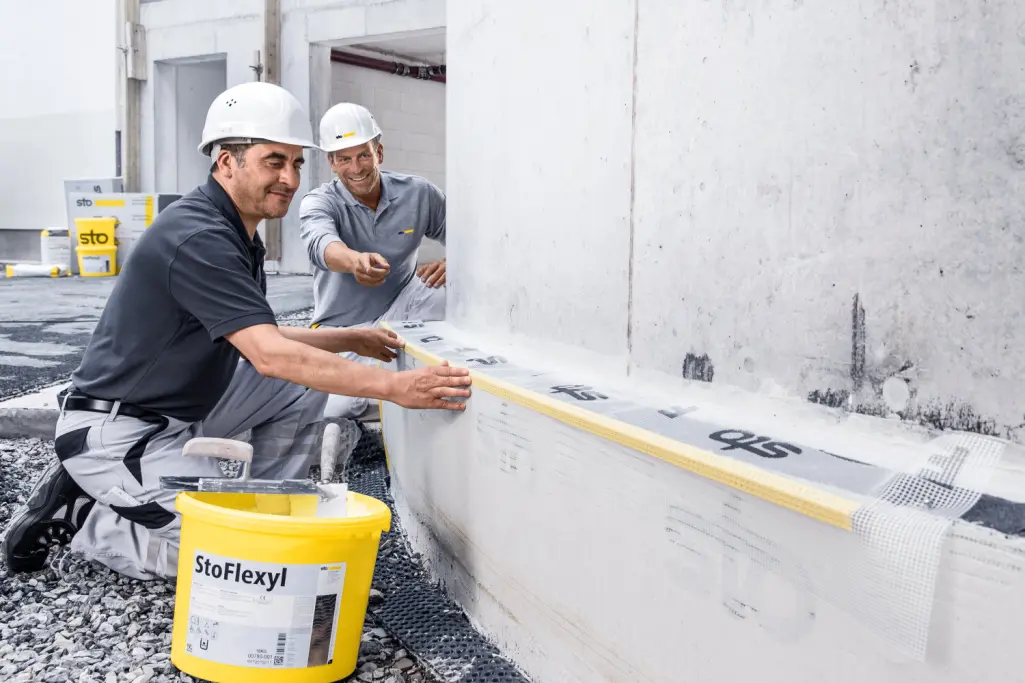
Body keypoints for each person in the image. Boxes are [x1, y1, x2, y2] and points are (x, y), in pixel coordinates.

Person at [0, 82, 471, 581]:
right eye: (274, 162)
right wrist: (396, 387)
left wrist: (346, 338)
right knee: (235, 559)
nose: (289, 178)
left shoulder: (236, 233)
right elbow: (269, 354)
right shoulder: (200, 237)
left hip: (181, 412)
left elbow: (259, 337)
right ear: (227, 161)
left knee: (299, 396)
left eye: (295, 163)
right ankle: (89, 520)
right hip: (119, 432)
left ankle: (263, 504)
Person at [299, 102, 448, 421]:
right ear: (332, 163)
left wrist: (456, 263)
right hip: (344, 330)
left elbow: (468, 239)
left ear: (379, 152)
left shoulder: (418, 194)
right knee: (335, 408)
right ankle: (384, 398)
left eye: (363, 155)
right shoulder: (320, 202)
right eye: (344, 159)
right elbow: (320, 244)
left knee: (452, 292)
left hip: (403, 307)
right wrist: (354, 262)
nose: (356, 168)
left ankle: (405, 378)